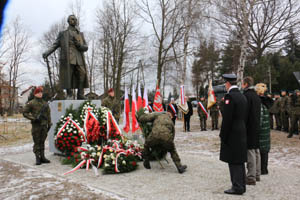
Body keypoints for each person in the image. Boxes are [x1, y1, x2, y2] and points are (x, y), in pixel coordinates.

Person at [42, 15, 89, 100]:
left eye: (75, 19)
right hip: (68, 58)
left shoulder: (80, 34)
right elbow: (55, 45)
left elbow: (86, 47)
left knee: (82, 74)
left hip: (79, 58)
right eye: (72, 19)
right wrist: (47, 52)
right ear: (68, 21)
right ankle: (69, 94)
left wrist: (79, 45)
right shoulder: (63, 34)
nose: (74, 20)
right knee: (68, 76)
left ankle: (80, 94)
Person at [219, 74, 247, 195]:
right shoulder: (241, 96)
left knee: (233, 160)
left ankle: (237, 187)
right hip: (241, 129)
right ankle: (241, 185)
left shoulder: (229, 96)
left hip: (232, 131)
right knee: (240, 160)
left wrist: (223, 135)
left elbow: (227, 118)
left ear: (228, 83)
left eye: (225, 83)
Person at [136, 108, 187, 174]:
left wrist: (139, 117)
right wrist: (170, 144)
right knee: (172, 150)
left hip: (154, 135)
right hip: (166, 137)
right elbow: (173, 133)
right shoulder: (170, 122)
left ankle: (146, 161)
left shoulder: (157, 115)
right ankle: (179, 167)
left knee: (146, 145)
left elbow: (145, 118)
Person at [23, 86, 52, 165]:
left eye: (41, 92)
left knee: (42, 141)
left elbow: (48, 114)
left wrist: (49, 123)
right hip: (36, 126)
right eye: (38, 93)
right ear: (35, 94)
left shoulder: (45, 103)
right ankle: (37, 158)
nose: (40, 94)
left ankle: (43, 157)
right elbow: (25, 113)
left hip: (44, 125)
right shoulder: (31, 103)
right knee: (37, 142)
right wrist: (33, 118)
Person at [242, 76, 261, 185]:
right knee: (256, 150)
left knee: (250, 152)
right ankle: (257, 174)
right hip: (256, 126)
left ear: (245, 84)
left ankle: (251, 177)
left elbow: (244, 113)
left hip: (249, 127)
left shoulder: (246, 96)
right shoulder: (256, 96)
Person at [255, 83, 271, 175]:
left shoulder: (260, 103)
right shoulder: (266, 101)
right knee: (265, 150)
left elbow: (259, 119)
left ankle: (262, 169)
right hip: (266, 130)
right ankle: (264, 169)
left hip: (261, 131)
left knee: (261, 150)